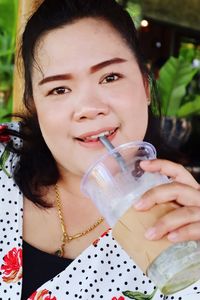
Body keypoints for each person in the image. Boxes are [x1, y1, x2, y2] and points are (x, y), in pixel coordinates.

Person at [0, 0, 200, 299]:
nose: (89, 109)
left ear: (146, 87)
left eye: (110, 77)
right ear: (34, 106)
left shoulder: (185, 217)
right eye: (59, 89)